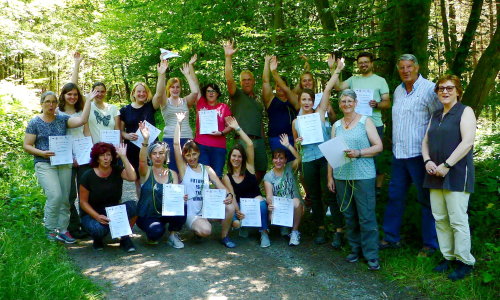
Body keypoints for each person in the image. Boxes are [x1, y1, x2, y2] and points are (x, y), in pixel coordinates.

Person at [380, 54, 441, 256]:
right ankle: (391, 238)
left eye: (409, 67)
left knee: (426, 199)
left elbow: (440, 119)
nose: (405, 71)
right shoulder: (398, 90)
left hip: (420, 156)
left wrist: (434, 153)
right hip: (399, 154)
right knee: (395, 197)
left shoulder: (430, 89)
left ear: (417, 67)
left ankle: (430, 244)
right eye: (402, 67)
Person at [422, 75, 476, 281]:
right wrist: (427, 161)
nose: (445, 92)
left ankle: (465, 262)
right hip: (434, 173)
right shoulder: (435, 114)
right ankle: (448, 257)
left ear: (458, 91)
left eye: (449, 88)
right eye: (441, 88)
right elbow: (425, 141)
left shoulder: (465, 111)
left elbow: (467, 142)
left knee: (458, 219)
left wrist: (447, 165)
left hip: (456, 172)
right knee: (441, 218)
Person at [23, 89, 94, 243]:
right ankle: (50, 229)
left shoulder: (62, 119)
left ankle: (63, 230)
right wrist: (42, 153)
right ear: (41, 103)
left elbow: (81, 120)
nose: (51, 104)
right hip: (44, 163)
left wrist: (88, 100)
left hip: (64, 163)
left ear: (57, 104)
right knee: (55, 195)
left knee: (64, 199)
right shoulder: (35, 122)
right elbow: (27, 145)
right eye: (47, 101)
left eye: (53, 101)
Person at [292, 55, 345, 246]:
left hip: (325, 158)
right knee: (314, 196)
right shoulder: (296, 122)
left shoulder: (320, 114)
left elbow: (329, 88)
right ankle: (321, 229)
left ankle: (339, 230)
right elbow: (297, 145)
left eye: (309, 99)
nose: (306, 102)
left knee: (330, 193)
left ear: (313, 101)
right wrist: (297, 141)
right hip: (308, 160)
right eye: (303, 99)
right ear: (299, 101)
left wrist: (337, 70)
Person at [327, 89, 383, 270]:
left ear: (356, 102)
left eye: (349, 101)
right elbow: (331, 152)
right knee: (349, 215)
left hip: (364, 175)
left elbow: (378, 146)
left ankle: (371, 255)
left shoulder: (365, 121)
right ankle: (355, 250)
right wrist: (330, 176)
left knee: (366, 216)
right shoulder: (336, 125)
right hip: (342, 176)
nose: (346, 104)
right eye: (343, 101)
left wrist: (359, 153)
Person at [174, 112, 236, 248]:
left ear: (199, 153)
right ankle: (197, 230)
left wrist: (229, 195)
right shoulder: (184, 169)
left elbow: (220, 185)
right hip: (192, 213)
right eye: (188, 155)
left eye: (194, 154)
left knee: (230, 208)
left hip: (208, 209)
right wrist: (179, 123)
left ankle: (224, 236)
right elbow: (175, 145)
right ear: (184, 156)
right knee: (206, 230)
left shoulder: (207, 169)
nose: (192, 158)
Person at [334, 52, 391, 193]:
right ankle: (355, 184)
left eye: (366, 62)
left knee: (376, 157)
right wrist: (334, 69)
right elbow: (338, 87)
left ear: (372, 63)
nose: (363, 65)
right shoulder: (353, 79)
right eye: (360, 63)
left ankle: (376, 189)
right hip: (355, 124)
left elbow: (387, 102)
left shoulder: (380, 80)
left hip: (374, 123)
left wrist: (377, 104)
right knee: (354, 154)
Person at [120, 59, 168, 197]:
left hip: (151, 148)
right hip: (134, 149)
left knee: (154, 176)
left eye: (144, 92)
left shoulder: (150, 107)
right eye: (139, 91)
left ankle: (156, 204)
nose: (141, 94)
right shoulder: (125, 110)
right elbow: (120, 131)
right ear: (133, 93)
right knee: (138, 180)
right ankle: (142, 207)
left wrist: (161, 74)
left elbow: (159, 93)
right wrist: (126, 135)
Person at [79, 142, 138, 252]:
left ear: (112, 157)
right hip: (93, 213)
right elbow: (83, 202)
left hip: (114, 211)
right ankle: (98, 239)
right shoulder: (87, 176)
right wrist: (97, 216)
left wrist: (124, 157)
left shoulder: (117, 170)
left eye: (108, 155)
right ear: (97, 158)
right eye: (102, 155)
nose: (106, 158)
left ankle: (124, 236)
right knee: (98, 230)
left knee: (135, 207)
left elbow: (133, 177)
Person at [136, 122, 186, 248]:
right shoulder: (146, 172)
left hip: (166, 213)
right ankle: (155, 229)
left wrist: (180, 197)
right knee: (156, 233)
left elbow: (175, 196)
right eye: (154, 153)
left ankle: (173, 235)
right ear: (150, 156)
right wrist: (146, 139)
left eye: (161, 153)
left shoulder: (172, 174)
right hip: (147, 214)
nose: (158, 156)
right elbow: (141, 160)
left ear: (165, 156)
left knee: (183, 206)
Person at [222, 116, 270, 248]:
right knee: (236, 224)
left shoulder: (249, 167)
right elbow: (232, 196)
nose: (236, 159)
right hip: (240, 205)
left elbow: (249, 144)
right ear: (230, 158)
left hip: (255, 202)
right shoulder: (227, 177)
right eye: (234, 156)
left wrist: (237, 128)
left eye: (239, 156)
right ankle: (243, 224)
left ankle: (264, 232)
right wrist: (238, 212)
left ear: (243, 158)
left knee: (261, 203)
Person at [224, 40, 267, 183]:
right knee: (240, 170)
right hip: (242, 139)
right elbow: (229, 80)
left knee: (261, 169)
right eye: (244, 80)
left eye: (249, 80)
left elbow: (259, 121)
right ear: (241, 82)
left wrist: (263, 140)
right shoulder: (237, 96)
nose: (247, 82)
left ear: (254, 81)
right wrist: (228, 57)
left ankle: (252, 191)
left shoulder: (258, 100)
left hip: (259, 141)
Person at [190, 56, 232, 177]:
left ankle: (216, 196)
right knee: (202, 176)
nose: (211, 93)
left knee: (217, 176)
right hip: (201, 145)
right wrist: (191, 66)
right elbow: (195, 84)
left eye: (213, 91)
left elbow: (230, 125)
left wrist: (222, 133)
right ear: (205, 93)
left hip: (218, 147)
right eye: (208, 91)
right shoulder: (201, 103)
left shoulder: (223, 107)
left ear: (218, 93)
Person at [160, 55, 199, 174]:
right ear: (168, 88)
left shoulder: (185, 101)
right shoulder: (164, 102)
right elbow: (159, 91)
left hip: (186, 138)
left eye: (177, 87)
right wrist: (162, 73)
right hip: (169, 139)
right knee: (172, 170)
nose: (175, 89)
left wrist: (187, 74)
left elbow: (195, 92)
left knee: (188, 170)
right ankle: (173, 193)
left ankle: (187, 193)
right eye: (172, 87)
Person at [71, 52, 121, 144]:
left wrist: (119, 148)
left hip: (110, 150)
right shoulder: (87, 104)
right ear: (92, 92)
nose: (99, 94)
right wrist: (77, 63)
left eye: (102, 91)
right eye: (97, 91)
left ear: (105, 93)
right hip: (94, 149)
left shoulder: (113, 108)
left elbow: (117, 130)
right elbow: (73, 87)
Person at [263, 134, 303, 246]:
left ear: (285, 160)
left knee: (297, 202)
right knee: (271, 217)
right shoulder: (268, 176)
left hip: (292, 205)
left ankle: (294, 232)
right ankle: (283, 227)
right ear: (272, 160)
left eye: (281, 158)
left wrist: (288, 145)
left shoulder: (290, 168)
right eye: (276, 158)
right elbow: (269, 195)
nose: (278, 161)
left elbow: (299, 158)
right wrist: (270, 204)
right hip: (278, 207)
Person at [262, 55, 299, 160]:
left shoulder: (293, 100)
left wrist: (307, 68)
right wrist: (266, 62)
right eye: (277, 85)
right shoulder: (270, 100)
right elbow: (265, 82)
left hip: (293, 139)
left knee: (295, 166)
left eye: (282, 85)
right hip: (276, 139)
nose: (280, 88)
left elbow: (300, 86)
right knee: (279, 165)